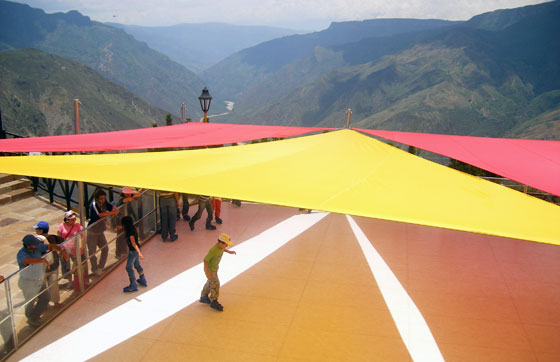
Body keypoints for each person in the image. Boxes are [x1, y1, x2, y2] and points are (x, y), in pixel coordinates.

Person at [17, 235, 67, 327]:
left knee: (45, 297)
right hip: (28, 281)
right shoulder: (22, 253)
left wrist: (61, 249)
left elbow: (51, 246)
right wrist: (41, 260)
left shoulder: (37, 247)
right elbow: (26, 261)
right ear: (28, 245)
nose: (37, 246)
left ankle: (34, 316)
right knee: (30, 302)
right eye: (34, 245)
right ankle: (31, 319)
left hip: (38, 280)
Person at [200, 233, 236, 311]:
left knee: (210, 282)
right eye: (226, 244)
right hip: (210, 269)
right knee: (216, 283)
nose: (226, 246)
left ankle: (203, 296)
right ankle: (214, 301)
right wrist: (207, 272)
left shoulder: (221, 247)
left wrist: (229, 252)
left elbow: (223, 249)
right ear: (220, 243)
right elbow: (205, 260)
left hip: (215, 268)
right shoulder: (213, 250)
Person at [33, 221, 66, 307]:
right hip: (54, 265)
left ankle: (44, 304)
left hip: (43, 268)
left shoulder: (37, 240)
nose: (36, 230)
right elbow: (62, 240)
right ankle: (56, 302)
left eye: (37, 229)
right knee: (54, 285)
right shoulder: (53, 237)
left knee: (42, 287)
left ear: (41, 230)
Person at [87, 189, 119, 276]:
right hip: (92, 232)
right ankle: (94, 269)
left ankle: (100, 267)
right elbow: (99, 215)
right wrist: (112, 213)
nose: (103, 200)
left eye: (104, 198)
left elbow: (110, 207)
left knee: (105, 249)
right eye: (101, 198)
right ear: (97, 198)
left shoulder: (104, 203)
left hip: (100, 231)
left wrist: (114, 209)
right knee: (92, 253)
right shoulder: (93, 205)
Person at [58, 210, 87, 292]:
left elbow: (83, 236)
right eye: (72, 219)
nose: (74, 220)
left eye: (74, 219)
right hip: (65, 250)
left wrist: (81, 247)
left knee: (78, 265)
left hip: (75, 250)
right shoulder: (61, 226)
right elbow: (58, 239)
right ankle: (70, 281)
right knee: (65, 266)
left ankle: (78, 282)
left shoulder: (77, 226)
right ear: (67, 219)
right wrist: (60, 250)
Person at [121, 216, 147, 292]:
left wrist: (139, 253)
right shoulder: (132, 229)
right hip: (136, 250)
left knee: (128, 267)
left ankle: (133, 285)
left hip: (133, 252)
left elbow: (133, 243)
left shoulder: (129, 232)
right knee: (136, 265)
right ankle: (143, 279)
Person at [115, 187, 142, 259]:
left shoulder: (129, 197)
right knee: (120, 237)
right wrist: (133, 195)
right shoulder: (121, 200)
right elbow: (128, 199)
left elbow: (138, 194)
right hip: (120, 221)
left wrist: (134, 194)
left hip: (126, 221)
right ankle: (118, 253)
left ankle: (125, 251)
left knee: (126, 236)